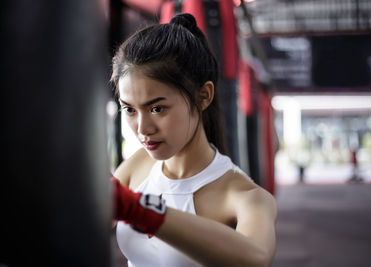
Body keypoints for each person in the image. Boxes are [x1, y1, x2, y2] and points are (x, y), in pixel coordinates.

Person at [110, 13, 277, 267]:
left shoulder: (245, 196)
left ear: (204, 96)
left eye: (157, 108)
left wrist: (142, 211)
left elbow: (256, 257)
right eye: (130, 110)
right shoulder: (139, 165)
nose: (142, 129)